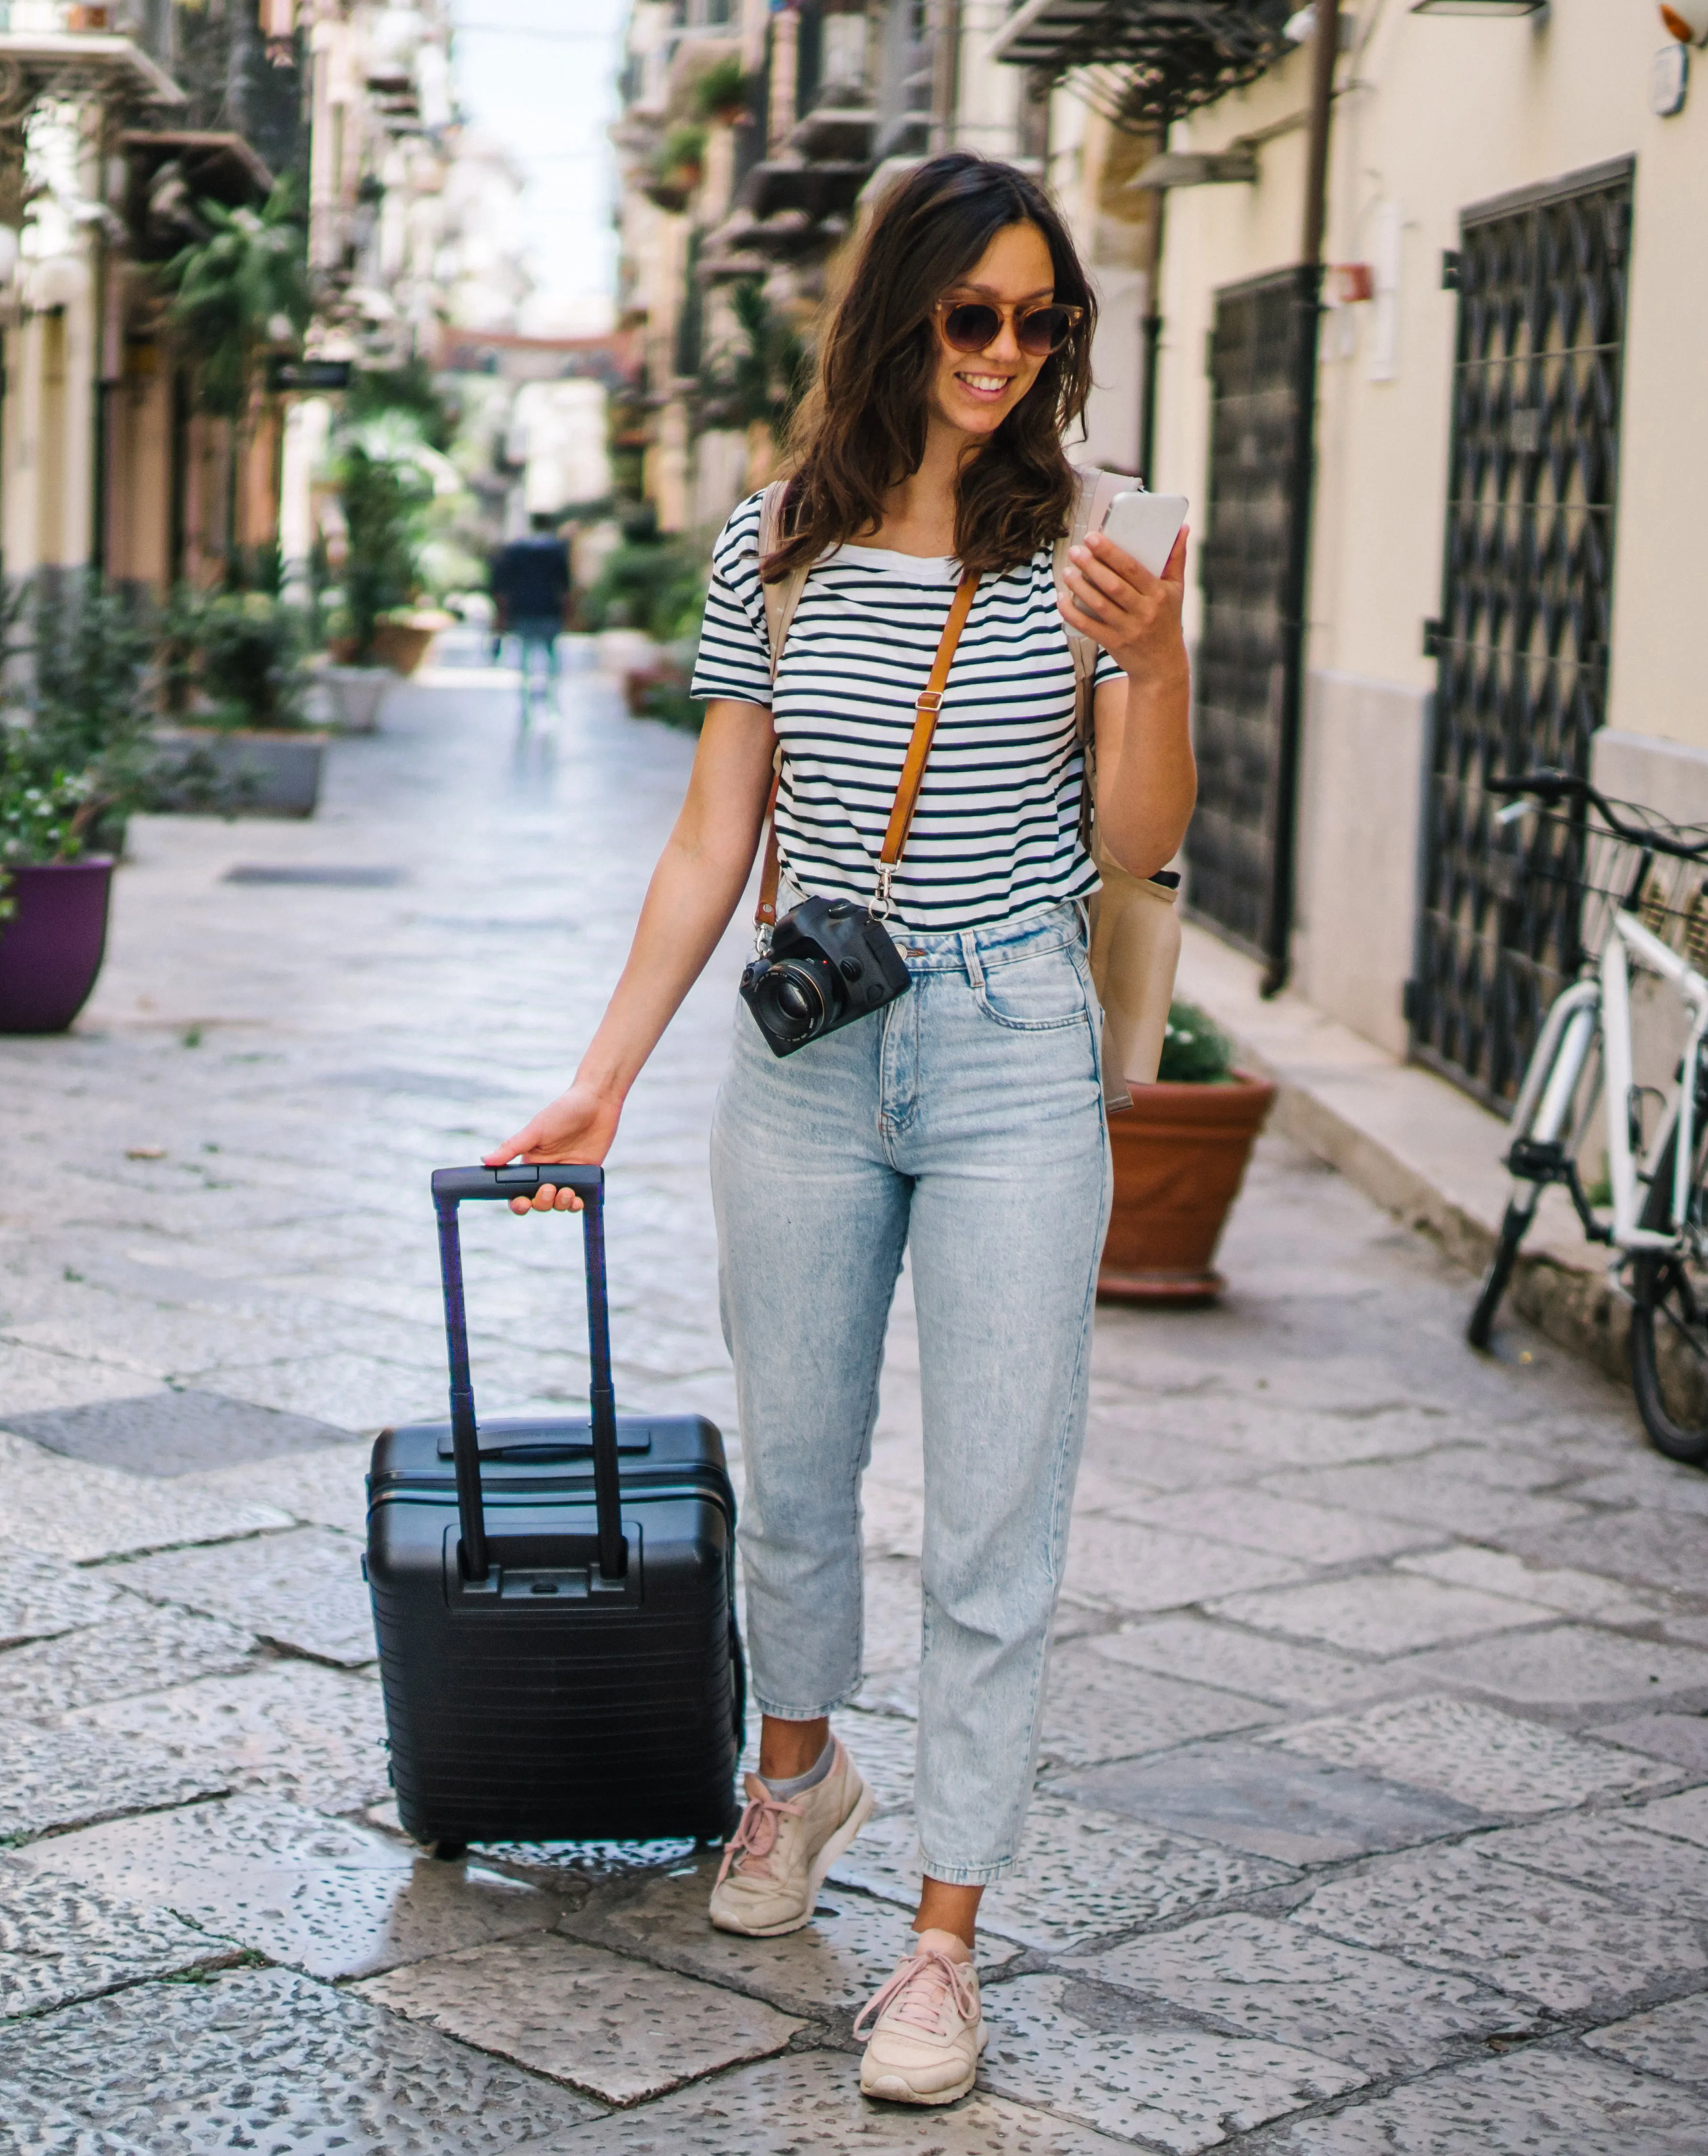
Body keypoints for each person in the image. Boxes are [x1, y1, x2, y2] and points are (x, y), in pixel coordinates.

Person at [482, 154, 1193, 2105]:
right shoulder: (773, 539)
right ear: (896, 315)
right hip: (808, 1051)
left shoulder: (1101, 535)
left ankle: (942, 1943)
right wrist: (604, 1070)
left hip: (1008, 1042)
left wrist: (1157, 658)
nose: (1007, 355)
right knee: (792, 1462)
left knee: (990, 1512)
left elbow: (1137, 844)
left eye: (1042, 321)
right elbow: (718, 830)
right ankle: (791, 1779)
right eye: (972, 316)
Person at [488, 511, 573, 718]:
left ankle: (526, 700)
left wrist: (501, 616)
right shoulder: (557, 551)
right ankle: (550, 696)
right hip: (549, 609)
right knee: (551, 655)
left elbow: (501, 584)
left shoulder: (516, 551)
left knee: (525, 656)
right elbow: (565, 587)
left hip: (523, 609)